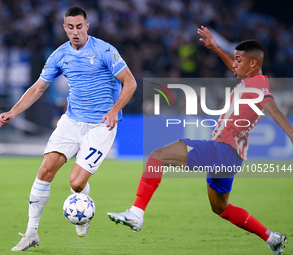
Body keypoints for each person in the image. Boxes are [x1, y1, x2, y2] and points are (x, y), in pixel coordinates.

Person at [108, 26, 292, 255]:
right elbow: (237, 69)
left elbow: (274, 110)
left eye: (238, 60)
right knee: (220, 208)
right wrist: (215, 47)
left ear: (252, 63)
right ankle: (272, 238)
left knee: (157, 156)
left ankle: (136, 213)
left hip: (222, 150)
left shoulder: (259, 90)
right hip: (232, 158)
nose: (233, 64)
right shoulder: (251, 81)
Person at [0, 6, 137, 251]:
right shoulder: (59, 55)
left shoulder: (105, 50)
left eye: (79, 27)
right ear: (64, 28)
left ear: (87, 26)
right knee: (45, 170)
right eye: (70, 27)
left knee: (76, 183)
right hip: (71, 121)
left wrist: (114, 110)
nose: (75, 32)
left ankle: (82, 201)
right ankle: (31, 233)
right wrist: (13, 111)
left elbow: (130, 82)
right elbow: (38, 88)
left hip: (101, 125)